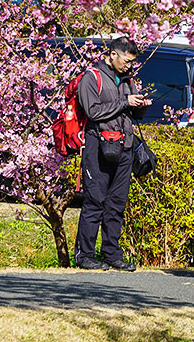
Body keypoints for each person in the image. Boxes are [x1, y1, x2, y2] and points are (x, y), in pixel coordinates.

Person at [74, 37, 150, 271]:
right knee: (94, 201)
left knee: (117, 203)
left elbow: (132, 115)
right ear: (113, 54)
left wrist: (140, 106)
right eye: (126, 61)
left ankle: (111, 254)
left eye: (132, 62)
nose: (129, 66)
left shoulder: (129, 80)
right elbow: (93, 111)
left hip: (125, 147)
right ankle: (85, 255)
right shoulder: (91, 77)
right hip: (99, 145)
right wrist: (124, 101)